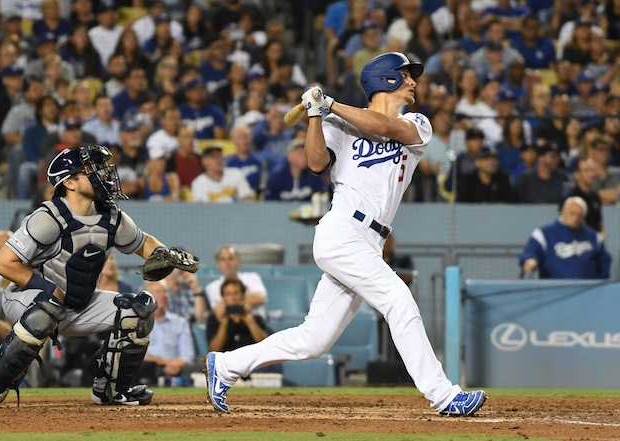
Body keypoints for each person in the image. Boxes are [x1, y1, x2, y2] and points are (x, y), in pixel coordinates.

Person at [204, 52, 486, 417]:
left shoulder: (417, 123)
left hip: (371, 240)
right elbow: (317, 163)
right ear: (385, 79)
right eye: (405, 75)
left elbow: (385, 128)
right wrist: (315, 116)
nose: (413, 82)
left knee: (313, 340)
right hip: (342, 231)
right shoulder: (338, 124)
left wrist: (331, 104)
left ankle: (224, 366)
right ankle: (444, 396)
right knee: (397, 298)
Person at [0, 144, 189, 408]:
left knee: (139, 311)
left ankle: (110, 391)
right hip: (26, 301)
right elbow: (4, 263)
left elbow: (143, 242)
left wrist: (163, 253)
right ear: (69, 182)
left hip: (76, 303)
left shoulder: (111, 216)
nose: (101, 175)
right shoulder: (49, 216)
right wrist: (47, 288)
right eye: (90, 169)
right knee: (46, 309)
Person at [520, 196, 611, 279]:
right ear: (563, 211)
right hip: (555, 291)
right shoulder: (544, 234)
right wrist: (530, 260)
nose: (575, 218)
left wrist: (600, 284)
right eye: (572, 213)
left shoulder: (594, 237)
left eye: (579, 215)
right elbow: (530, 253)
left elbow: (604, 261)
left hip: (588, 291)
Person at [141, 280, 195, 384]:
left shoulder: (180, 322)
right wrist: (163, 361)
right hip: (145, 373)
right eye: (158, 292)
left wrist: (177, 363)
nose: (163, 295)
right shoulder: (138, 324)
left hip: (176, 372)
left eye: (165, 291)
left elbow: (188, 354)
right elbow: (136, 354)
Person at [201, 246, 268, 322]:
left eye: (231, 258)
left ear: (238, 261)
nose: (227, 262)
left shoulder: (253, 277)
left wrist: (229, 302)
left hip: (256, 325)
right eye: (223, 259)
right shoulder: (212, 287)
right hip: (227, 328)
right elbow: (218, 309)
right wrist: (246, 300)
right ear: (218, 264)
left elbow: (260, 298)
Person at [206, 277, 270, 353]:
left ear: (243, 295)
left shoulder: (255, 318)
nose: (233, 298)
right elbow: (214, 350)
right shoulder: (214, 319)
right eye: (228, 294)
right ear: (223, 298)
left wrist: (250, 322)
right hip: (227, 362)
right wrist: (223, 325)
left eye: (236, 293)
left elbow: (266, 346)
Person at [564, 158, 603, 233]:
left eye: (592, 170)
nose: (591, 174)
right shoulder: (571, 199)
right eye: (586, 171)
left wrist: (601, 237)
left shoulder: (595, 197)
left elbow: (599, 223)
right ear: (577, 174)